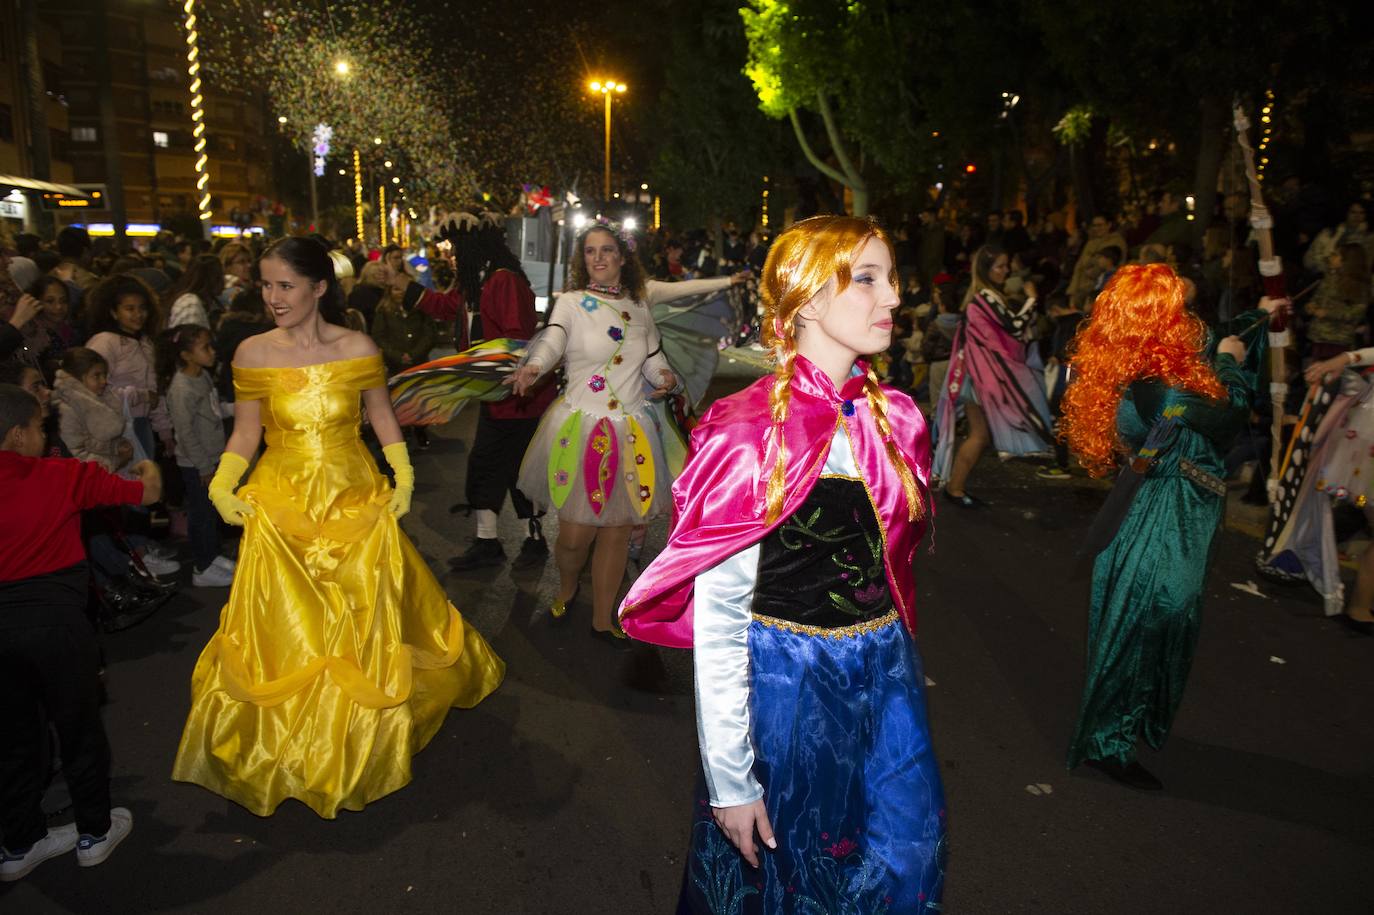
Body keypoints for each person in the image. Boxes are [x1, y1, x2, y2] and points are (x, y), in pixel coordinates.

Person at [619, 215, 946, 912]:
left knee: (903, 858)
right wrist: (730, 780)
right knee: (795, 875)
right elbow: (720, 619)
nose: (893, 296)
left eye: (891, 277)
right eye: (867, 278)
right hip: (789, 694)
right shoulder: (747, 434)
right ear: (807, 296)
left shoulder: (897, 419)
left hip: (886, 681)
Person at [171, 236, 504, 818]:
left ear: (319, 287)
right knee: (289, 631)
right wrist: (222, 485)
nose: (273, 297)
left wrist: (401, 477)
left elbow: (381, 415)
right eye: (266, 285)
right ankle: (287, 750)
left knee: (362, 623)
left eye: (285, 286)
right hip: (282, 504)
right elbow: (246, 432)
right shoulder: (251, 352)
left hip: (353, 495)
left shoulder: (357, 345)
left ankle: (358, 743)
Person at [1060, 264, 1276, 790]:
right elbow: (1227, 414)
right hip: (1160, 518)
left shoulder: (1160, 369)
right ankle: (1109, 744)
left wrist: (1257, 319)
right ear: (1156, 319)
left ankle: (1118, 733)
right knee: (1150, 622)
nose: (1191, 320)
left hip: (1179, 512)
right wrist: (1230, 359)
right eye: (1181, 308)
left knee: (1159, 623)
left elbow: (1216, 349)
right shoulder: (1158, 389)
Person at [507, 222, 746, 646]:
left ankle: (603, 617)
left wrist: (666, 377)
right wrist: (534, 365)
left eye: (606, 250)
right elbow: (554, 340)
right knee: (576, 536)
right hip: (580, 428)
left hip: (631, 430)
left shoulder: (639, 307)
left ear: (622, 257)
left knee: (617, 531)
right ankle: (566, 586)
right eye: (590, 252)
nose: (598, 258)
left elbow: (652, 359)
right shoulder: (571, 303)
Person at [0, 384, 160, 881]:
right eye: (40, 427)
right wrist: (148, 467)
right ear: (18, 434)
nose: (44, 436)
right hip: (58, 625)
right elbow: (147, 494)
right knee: (79, 729)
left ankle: (20, 841)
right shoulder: (61, 475)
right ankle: (93, 830)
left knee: (13, 738)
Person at [448, 226, 557, 570]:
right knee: (492, 467)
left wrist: (483, 366)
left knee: (514, 470)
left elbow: (515, 339)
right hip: (499, 398)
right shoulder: (479, 284)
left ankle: (525, 539)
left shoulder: (502, 281)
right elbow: (443, 306)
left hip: (516, 397)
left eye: (456, 249)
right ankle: (494, 539)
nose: (452, 257)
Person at [932, 245, 1055, 505]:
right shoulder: (985, 297)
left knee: (980, 435)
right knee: (979, 435)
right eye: (1000, 266)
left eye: (1006, 265)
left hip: (976, 377)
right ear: (986, 270)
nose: (1005, 270)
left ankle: (955, 487)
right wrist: (1032, 299)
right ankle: (954, 489)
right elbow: (1014, 327)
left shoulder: (984, 297)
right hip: (979, 379)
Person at [157, 324, 236, 588]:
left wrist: (238, 408)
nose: (212, 352)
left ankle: (212, 556)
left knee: (211, 512)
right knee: (201, 514)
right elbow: (185, 433)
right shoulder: (181, 389)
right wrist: (203, 466)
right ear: (186, 355)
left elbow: (213, 412)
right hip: (196, 464)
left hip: (211, 458)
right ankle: (202, 567)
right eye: (205, 348)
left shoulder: (201, 376)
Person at [82, 274, 171, 460]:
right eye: (129, 309)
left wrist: (165, 433)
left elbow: (155, 391)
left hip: (142, 426)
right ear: (114, 312)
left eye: (142, 308)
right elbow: (91, 390)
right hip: (114, 427)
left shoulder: (146, 343)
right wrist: (140, 395)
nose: (138, 315)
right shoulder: (104, 342)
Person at [164, 254, 226, 330]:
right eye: (221, 276)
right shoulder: (190, 304)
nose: (224, 281)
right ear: (211, 279)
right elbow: (189, 339)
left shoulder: (210, 301)